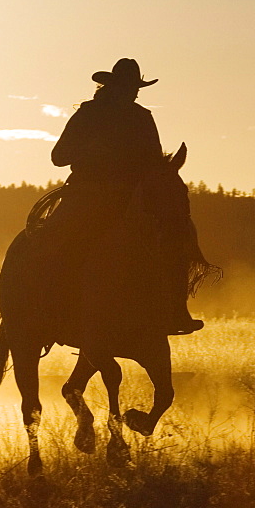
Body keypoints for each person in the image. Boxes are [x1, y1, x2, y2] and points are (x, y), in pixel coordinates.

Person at [50, 58, 204, 334]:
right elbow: (58, 157)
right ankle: (49, 303)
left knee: (175, 238)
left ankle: (175, 310)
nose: (134, 93)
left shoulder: (143, 117)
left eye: (136, 88)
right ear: (113, 87)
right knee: (58, 240)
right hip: (88, 192)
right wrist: (93, 153)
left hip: (132, 197)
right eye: (130, 87)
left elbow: (154, 161)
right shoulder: (88, 114)